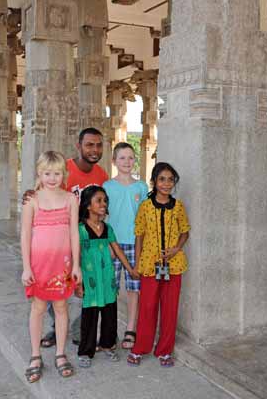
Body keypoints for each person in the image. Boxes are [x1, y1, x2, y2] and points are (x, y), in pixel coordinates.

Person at [23, 127, 108, 348]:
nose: (94, 149)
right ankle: (55, 328)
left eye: (99, 145)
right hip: (58, 240)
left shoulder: (102, 175)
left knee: (84, 286)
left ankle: (78, 328)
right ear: (78, 146)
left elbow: (101, 204)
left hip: (86, 238)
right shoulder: (63, 168)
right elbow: (43, 188)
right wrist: (29, 193)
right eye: (89, 144)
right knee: (53, 288)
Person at [21, 151, 81, 383]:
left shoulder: (70, 199)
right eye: (47, 173)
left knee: (61, 307)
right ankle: (35, 355)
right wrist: (27, 268)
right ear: (39, 173)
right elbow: (25, 235)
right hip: (39, 265)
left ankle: (60, 353)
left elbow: (74, 233)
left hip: (62, 264)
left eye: (57, 173)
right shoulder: (32, 200)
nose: (52, 178)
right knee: (37, 307)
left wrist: (76, 265)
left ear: (64, 174)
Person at [127, 162, 190, 368]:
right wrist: (136, 264)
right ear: (154, 181)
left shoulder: (178, 206)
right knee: (147, 307)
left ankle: (164, 350)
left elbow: (185, 231)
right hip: (149, 265)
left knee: (170, 309)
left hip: (174, 265)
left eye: (170, 179)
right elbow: (139, 235)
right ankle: (140, 348)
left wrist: (176, 249)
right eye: (162, 179)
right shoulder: (145, 206)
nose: (166, 183)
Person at [77, 186, 139, 367]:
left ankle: (107, 345)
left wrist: (130, 269)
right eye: (99, 200)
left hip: (107, 279)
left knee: (110, 313)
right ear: (88, 205)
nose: (103, 204)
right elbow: (77, 255)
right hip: (90, 280)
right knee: (90, 315)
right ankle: (85, 351)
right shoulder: (80, 229)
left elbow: (117, 250)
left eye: (105, 201)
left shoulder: (107, 228)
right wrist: (78, 282)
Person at [103, 142, 148, 349]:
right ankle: (108, 330)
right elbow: (103, 217)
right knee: (110, 288)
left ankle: (131, 328)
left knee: (133, 289)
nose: (127, 162)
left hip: (135, 244)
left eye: (131, 157)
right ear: (114, 161)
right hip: (113, 244)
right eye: (122, 158)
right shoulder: (107, 186)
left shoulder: (141, 187)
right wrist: (107, 244)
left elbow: (144, 219)